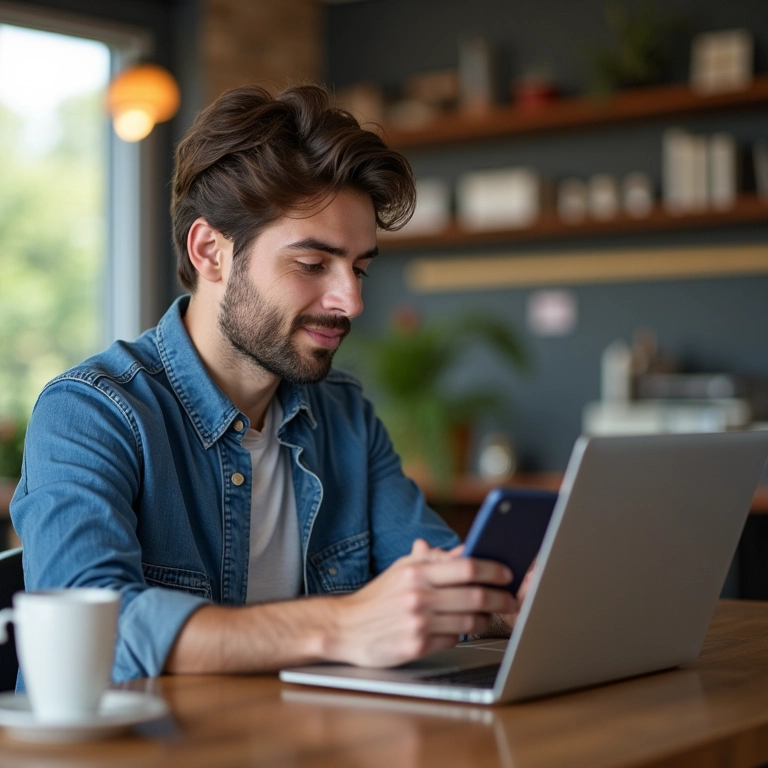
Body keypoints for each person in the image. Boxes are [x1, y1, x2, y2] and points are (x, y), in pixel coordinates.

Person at [11, 84, 516, 683]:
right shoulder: (90, 413)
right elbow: (97, 634)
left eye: (358, 268)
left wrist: (503, 594)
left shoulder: (344, 416)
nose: (351, 301)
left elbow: (435, 576)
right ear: (211, 252)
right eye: (312, 265)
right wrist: (343, 624)